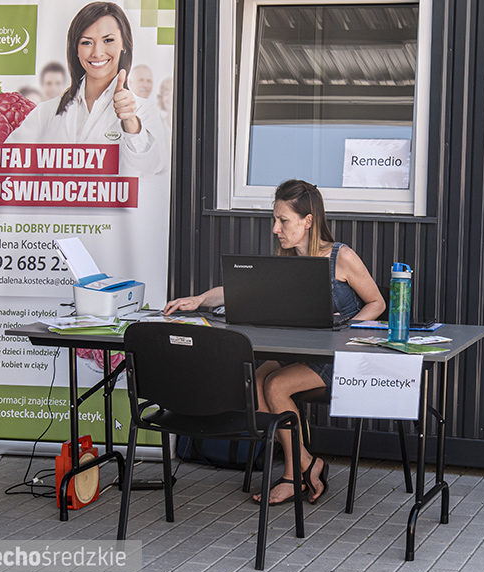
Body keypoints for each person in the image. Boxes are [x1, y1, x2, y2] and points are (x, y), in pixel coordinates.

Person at [163, 180, 385, 505]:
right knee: (254, 383)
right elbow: (237, 291)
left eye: (283, 220)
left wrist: (347, 332)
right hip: (298, 350)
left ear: (307, 221)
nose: (275, 228)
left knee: (276, 387)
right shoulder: (286, 259)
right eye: (275, 219)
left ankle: (294, 474)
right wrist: (198, 299)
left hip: (337, 354)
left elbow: (377, 303)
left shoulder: (341, 256)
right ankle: (308, 463)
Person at [7, 2, 167, 177]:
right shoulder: (46, 112)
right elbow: (7, 163)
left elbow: (154, 166)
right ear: (76, 49)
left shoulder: (144, 110)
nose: (97, 53)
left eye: (108, 40)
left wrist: (130, 121)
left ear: (124, 44)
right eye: (86, 42)